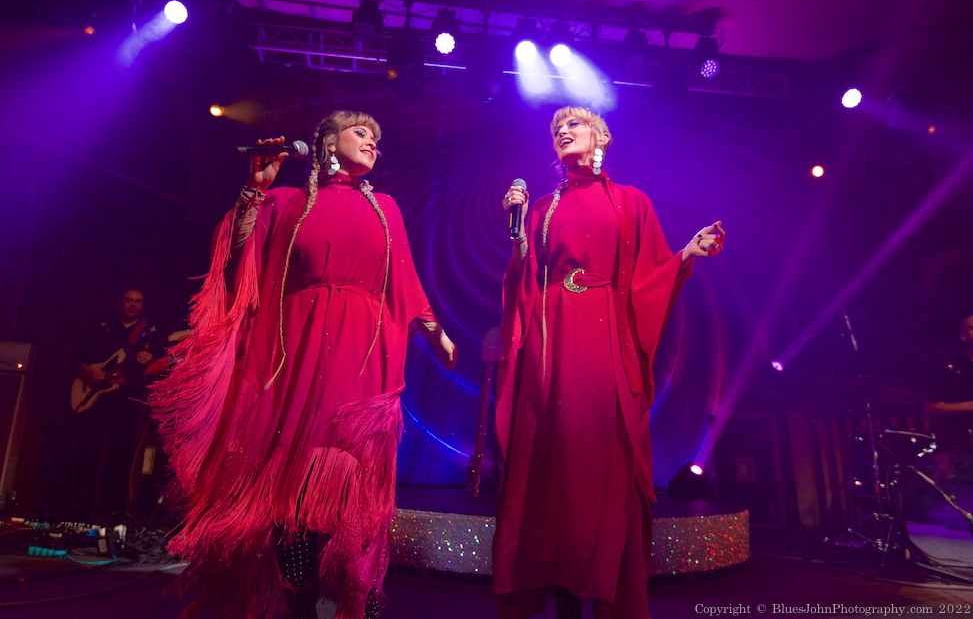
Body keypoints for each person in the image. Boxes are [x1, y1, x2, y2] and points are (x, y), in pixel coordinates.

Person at [149, 111, 457, 619]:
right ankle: (299, 603)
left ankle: (360, 600)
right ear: (328, 142)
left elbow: (403, 276)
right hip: (294, 354)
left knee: (355, 483)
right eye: (362, 133)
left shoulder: (385, 207)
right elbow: (239, 257)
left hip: (362, 356)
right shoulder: (287, 201)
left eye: (377, 138)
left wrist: (434, 328)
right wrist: (254, 190)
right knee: (293, 489)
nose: (373, 143)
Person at [493, 106, 725, 619]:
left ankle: (597, 580)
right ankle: (555, 580)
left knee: (598, 453)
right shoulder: (542, 208)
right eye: (556, 129)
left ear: (600, 137)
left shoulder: (630, 201)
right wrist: (516, 231)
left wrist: (685, 255)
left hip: (603, 335)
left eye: (573, 124)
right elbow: (524, 278)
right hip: (552, 337)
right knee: (551, 450)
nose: (562, 131)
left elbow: (649, 276)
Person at [68, 287, 170, 522]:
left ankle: (113, 518)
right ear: (119, 302)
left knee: (120, 461)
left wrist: (149, 361)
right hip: (95, 407)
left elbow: (158, 370)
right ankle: (79, 515)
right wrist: (86, 371)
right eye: (129, 300)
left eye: (138, 301)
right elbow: (77, 355)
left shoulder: (150, 333)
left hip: (126, 408)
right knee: (87, 458)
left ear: (143, 305)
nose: (133, 305)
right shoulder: (101, 327)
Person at [922, 313, 973, 448]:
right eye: (972, 328)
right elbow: (930, 407)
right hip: (962, 442)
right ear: (963, 336)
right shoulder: (948, 368)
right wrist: (968, 406)